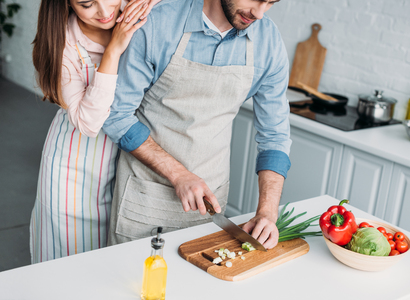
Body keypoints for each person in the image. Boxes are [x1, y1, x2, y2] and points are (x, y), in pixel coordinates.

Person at [103, 0, 291, 250]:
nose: (259, 12)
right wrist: (179, 174)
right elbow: (117, 116)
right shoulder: (157, 23)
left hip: (211, 205)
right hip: (146, 199)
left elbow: (275, 136)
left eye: (270, 2)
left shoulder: (269, 42)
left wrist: (267, 212)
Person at [29, 0, 160, 263]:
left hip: (126, 165)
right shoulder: (63, 43)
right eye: (87, 4)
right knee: (69, 264)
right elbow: (89, 123)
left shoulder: (133, 8)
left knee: (111, 263)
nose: (104, 11)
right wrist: (113, 50)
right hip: (74, 171)